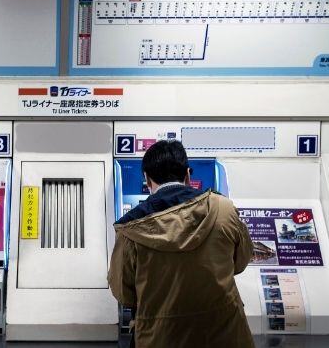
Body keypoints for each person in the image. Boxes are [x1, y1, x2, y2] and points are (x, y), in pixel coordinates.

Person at [108, 140, 254, 348]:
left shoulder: (130, 228)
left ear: (147, 179)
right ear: (187, 174)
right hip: (224, 334)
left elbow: (124, 292)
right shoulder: (223, 209)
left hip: (161, 338)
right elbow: (240, 262)